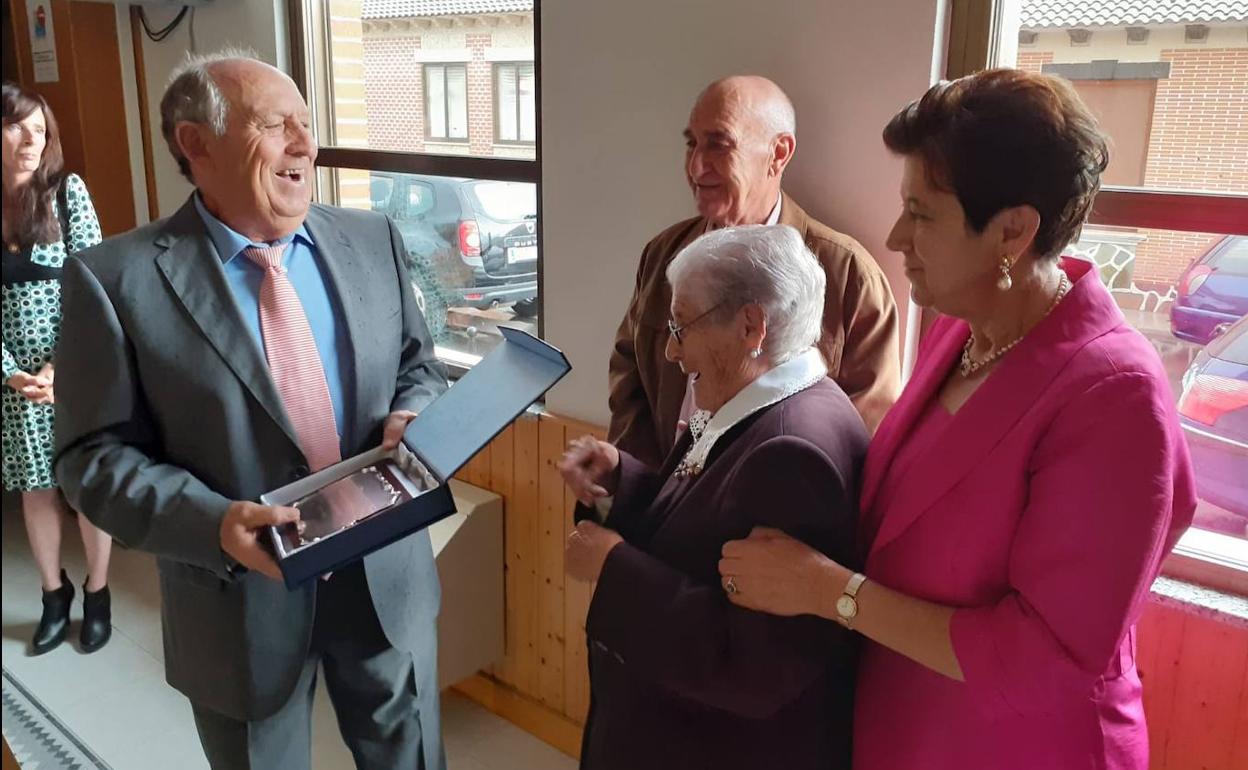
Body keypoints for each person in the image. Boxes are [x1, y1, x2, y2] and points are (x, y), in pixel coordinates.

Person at [718, 69, 1197, 769]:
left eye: (923, 214)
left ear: (1013, 231)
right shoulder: (960, 331)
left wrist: (829, 592)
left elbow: (1048, 656)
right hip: (913, 720)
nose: (896, 235)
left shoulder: (1114, 395)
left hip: (1024, 744)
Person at [53, 52, 448, 770]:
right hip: (237, 604)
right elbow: (91, 458)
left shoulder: (370, 240)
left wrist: (411, 414)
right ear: (195, 144)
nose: (305, 144)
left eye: (307, 123)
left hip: (384, 580)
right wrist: (213, 526)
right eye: (275, 124)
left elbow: (416, 367)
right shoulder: (115, 281)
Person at [560, 225, 867, 770]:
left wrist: (613, 568)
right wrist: (622, 479)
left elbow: (754, 667)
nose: (672, 351)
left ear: (751, 325)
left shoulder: (793, 454)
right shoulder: (759, 402)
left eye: (682, 327)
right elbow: (704, 528)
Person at [608, 75, 899, 469]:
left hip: (769, 519)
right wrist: (638, 486)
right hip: (663, 510)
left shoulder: (848, 277)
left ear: (778, 153)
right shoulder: (663, 255)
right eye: (691, 143)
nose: (695, 166)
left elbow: (863, 430)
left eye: (718, 144)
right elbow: (630, 374)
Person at [2, 82, 112, 655]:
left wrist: (56, 364)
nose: (30, 141)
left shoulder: (67, 193)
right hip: (16, 383)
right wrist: (11, 372)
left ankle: (98, 592)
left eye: (39, 131)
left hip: (75, 366)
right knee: (36, 489)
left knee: (86, 482)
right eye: (17, 127)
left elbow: (92, 285)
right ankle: (53, 593)